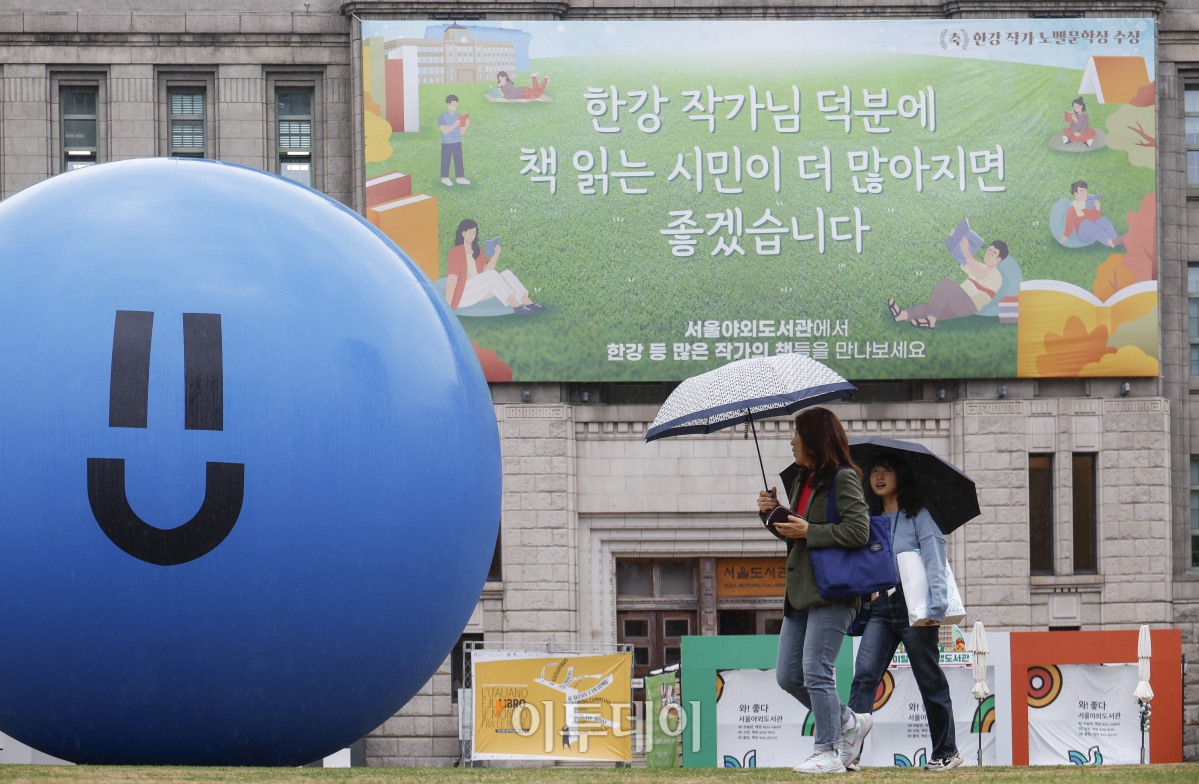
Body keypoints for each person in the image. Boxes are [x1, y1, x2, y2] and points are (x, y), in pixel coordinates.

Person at [756, 407, 873, 774]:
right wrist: (772, 515)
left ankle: (828, 750)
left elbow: (859, 532)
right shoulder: (801, 480)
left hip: (833, 591)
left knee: (817, 670)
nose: (792, 441)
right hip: (800, 592)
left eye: (796, 434)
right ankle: (850, 722)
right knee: (788, 675)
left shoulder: (844, 479)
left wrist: (810, 531)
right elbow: (798, 535)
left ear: (814, 439)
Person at [846, 455, 962, 771]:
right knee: (864, 675)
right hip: (881, 609)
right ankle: (850, 755)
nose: (879, 476)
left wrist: (937, 607)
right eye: (875, 471)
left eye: (887, 470)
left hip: (916, 609)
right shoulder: (870, 518)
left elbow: (935, 559)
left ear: (901, 477)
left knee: (929, 679)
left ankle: (946, 753)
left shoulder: (919, 516)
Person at [888, 238, 1007, 328]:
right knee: (932, 308)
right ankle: (902, 315)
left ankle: (930, 320)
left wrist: (966, 250)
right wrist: (956, 239)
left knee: (946, 284)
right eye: (989, 250)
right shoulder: (979, 265)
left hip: (968, 304)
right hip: (958, 302)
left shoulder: (997, 277)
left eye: (994, 253)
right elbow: (964, 260)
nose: (989, 253)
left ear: (999, 259)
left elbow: (979, 272)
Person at [445, 219, 545, 314]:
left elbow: (487, 272)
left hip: (478, 290)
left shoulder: (477, 250)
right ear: (463, 233)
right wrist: (447, 306)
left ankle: (530, 303)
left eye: (474, 232)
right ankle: (517, 307)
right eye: (469, 232)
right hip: (463, 295)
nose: (472, 235)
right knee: (493, 275)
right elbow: (452, 278)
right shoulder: (455, 252)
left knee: (507, 274)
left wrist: (496, 254)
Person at [1060, 180, 1123, 248]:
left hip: (1092, 231)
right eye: (1081, 191)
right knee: (1085, 223)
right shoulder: (1072, 210)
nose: (1084, 194)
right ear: (1075, 194)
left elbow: (1094, 218)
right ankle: (1110, 242)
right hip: (1083, 235)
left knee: (1104, 220)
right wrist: (1066, 236)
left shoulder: (1087, 206)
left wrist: (1097, 208)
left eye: (1085, 191)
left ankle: (1116, 239)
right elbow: (1069, 223)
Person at [438, 95, 469, 187]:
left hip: (457, 141)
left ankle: (460, 178)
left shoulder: (459, 116)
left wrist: (466, 125)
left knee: (458, 159)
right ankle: (444, 178)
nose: (454, 105)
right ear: (448, 104)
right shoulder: (442, 116)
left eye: (456, 103)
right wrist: (455, 125)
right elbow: (444, 130)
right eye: (452, 103)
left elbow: (462, 132)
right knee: (446, 159)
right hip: (447, 142)